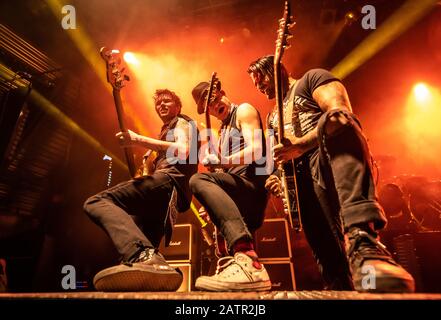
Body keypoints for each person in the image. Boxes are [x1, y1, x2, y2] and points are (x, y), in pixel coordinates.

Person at [247, 55, 415, 292]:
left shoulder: (311, 79)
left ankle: (364, 242)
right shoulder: (273, 115)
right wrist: (277, 177)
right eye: (254, 83)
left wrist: (302, 145)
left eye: (260, 78)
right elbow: (280, 154)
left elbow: (341, 115)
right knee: (324, 247)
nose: (259, 86)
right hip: (300, 177)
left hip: (325, 157)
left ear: (278, 70)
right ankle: (341, 288)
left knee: (335, 119)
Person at [83, 89, 198, 291]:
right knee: (142, 264)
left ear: (178, 107)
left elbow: (183, 149)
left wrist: (138, 140)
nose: (161, 105)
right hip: (167, 195)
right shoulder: (165, 130)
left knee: (97, 202)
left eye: (167, 101)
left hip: (168, 181)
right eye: (158, 103)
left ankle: (145, 255)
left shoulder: (182, 121)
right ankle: (152, 265)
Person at [189, 80, 272, 291]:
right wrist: (214, 200)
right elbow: (225, 171)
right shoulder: (222, 130)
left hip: (251, 186)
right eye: (208, 105)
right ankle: (248, 274)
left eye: (215, 98)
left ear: (223, 93)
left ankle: (249, 259)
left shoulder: (243, 110)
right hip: (237, 193)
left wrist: (221, 161)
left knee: (198, 179)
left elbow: (256, 150)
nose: (214, 105)